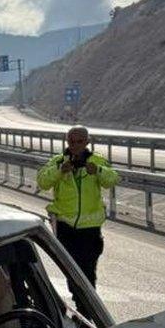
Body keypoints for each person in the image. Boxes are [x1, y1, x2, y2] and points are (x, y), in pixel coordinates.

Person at [36, 125, 119, 299]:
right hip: (65, 226)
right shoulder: (59, 161)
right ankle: (79, 303)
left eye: (79, 142)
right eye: (71, 141)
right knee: (70, 270)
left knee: (88, 271)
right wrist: (60, 171)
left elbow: (112, 180)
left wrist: (98, 171)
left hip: (90, 228)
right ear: (67, 142)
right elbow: (43, 182)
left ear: (87, 142)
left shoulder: (97, 161)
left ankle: (86, 310)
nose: (75, 145)